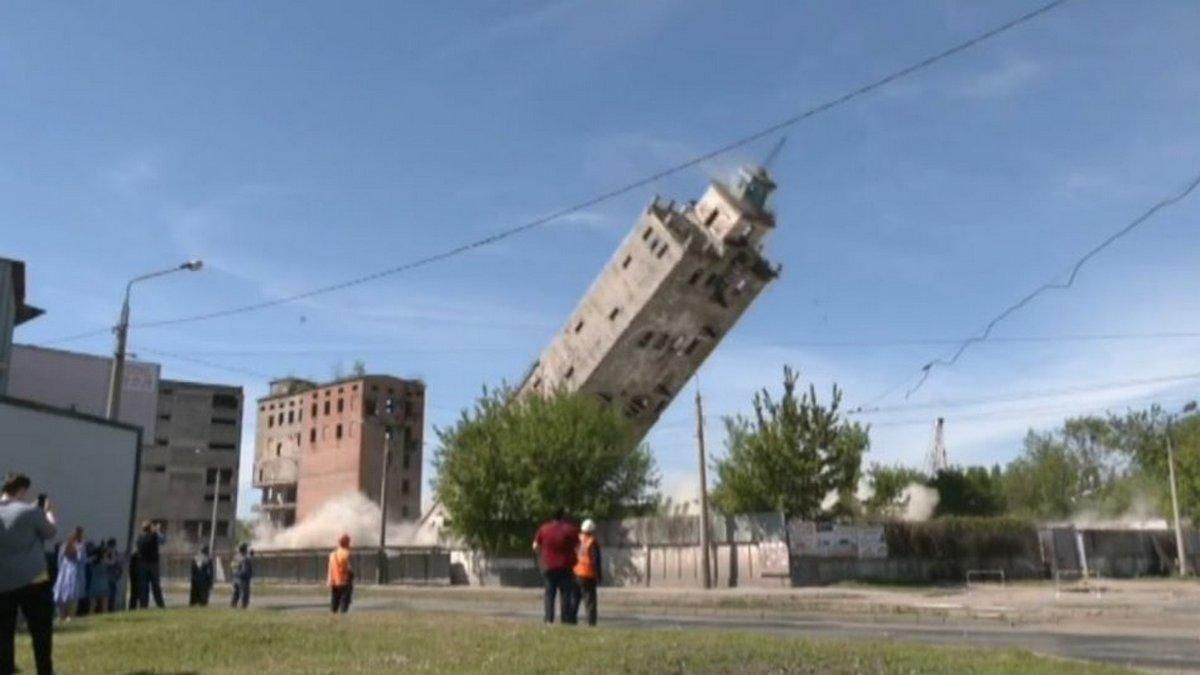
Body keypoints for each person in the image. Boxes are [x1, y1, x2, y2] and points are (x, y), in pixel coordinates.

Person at [0, 473, 57, 675]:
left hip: (3, 583)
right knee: (40, 630)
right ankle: (44, 670)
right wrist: (48, 512)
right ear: (22, 490)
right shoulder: (30, 511)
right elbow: (50, 532)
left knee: (4, 634)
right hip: (34, 579)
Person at [532, 508, 579, 624]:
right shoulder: (570, 529)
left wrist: (542, 556)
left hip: (549, 566)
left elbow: (535, 546)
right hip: (566, 566)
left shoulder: (544, 529)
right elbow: (578, 546)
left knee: (549, 594)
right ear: (563, 516)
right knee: (565, 594)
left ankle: (549, 619)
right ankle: (565, 619)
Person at [572, 518, 602, 626]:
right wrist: (599, 576)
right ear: (592, 530)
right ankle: (591, 622)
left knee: (575, 599)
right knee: (590, 601)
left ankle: (571, 620)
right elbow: (596, 560)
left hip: (576, 572)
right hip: (588, 574)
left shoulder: (577, 539)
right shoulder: (592, 542)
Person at [52, 527, 85, 623]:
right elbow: (82, 560)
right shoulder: (80, 546)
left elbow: (59, 560)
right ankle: (69, 615)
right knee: (71, 594)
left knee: (63, 594)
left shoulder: (64, 546)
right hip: (73, 571)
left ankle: (63, 615)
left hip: (64, 571)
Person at [134, 521, 166, 609]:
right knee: (155, 585)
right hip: (153, 564)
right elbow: (163, 540)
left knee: (144, 586)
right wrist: (158, 530)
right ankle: (160, 605)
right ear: (149, 528)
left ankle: (143, 605)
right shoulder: (154, 536)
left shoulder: (139, 538)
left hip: (142, 564)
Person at [326, 534, 353, 614]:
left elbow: (330, 568)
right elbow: (348, 567)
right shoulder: (346, 553)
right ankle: (343, 614)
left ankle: (333, 613)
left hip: (334, 580)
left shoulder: (332, 554)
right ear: (346, 543)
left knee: (335, 599)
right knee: (345, 599)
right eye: (348, 542)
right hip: (344, 580)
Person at [86, 541, 110, 614]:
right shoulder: (105, 562)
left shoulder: (92, 562)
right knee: (104, 605)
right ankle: (105, 616)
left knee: (92, 605)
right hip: (103, 584)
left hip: (94, 584)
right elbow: (113, 561)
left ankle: (90, 615)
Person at [230, 543, 253, 609]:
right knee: (244, 595)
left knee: (235, 594)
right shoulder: (245, 558)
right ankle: (243, 608)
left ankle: (232, 607)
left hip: (235, 579)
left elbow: (232, 567)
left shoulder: (235, 558)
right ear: (244, 549)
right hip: (243, 580)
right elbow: (245, 570)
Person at [103, 538, 122, 611]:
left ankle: (111, 608)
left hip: (113, 577)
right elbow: (111, 562)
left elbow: (118, 564)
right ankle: (108, 609)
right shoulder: (106, 553)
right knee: (108, 595)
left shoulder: (115, 552)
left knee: (112, 594)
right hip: (107, 577)